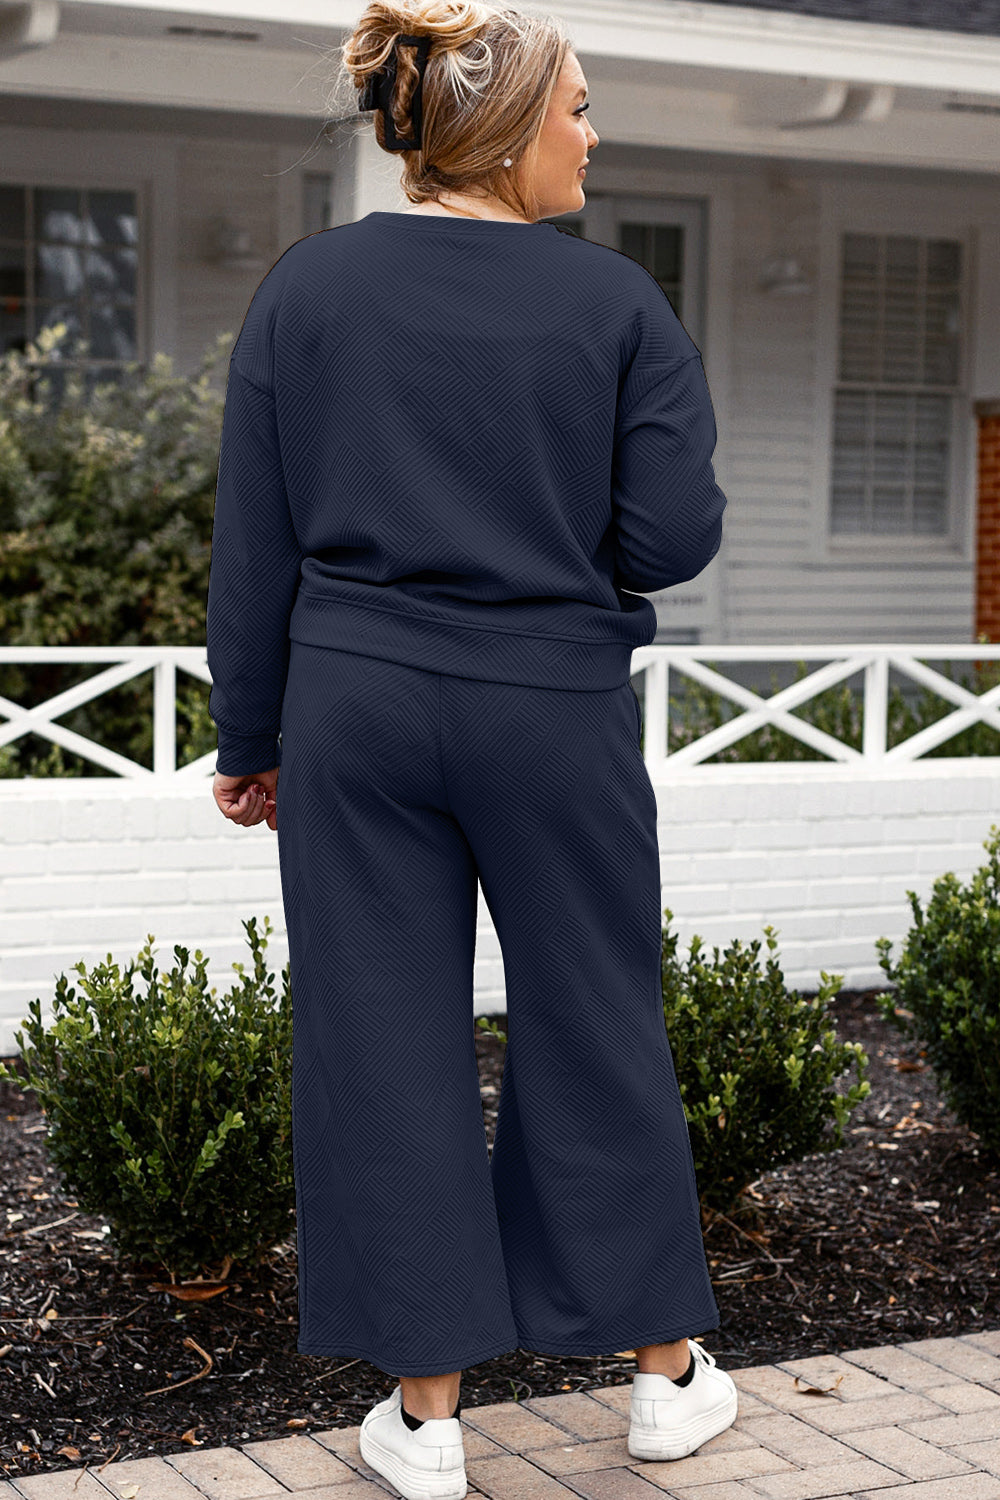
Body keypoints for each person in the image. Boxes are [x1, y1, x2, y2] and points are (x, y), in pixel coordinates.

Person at [205, 1, 738, 1495]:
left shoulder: (308, 292)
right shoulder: (619, 307)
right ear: (507, 138)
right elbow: (669, 538)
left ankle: (428, 1421)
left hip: (356, 708)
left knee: (382, 1038)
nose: (593, 130)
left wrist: (253, 732)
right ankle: (664, 1378)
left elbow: (254, 544)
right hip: (549, 709)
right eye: (579, 107)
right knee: (593, 1015)